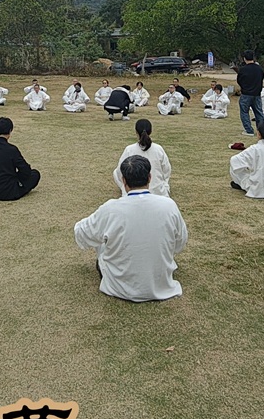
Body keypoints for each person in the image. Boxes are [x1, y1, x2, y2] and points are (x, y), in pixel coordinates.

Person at [75, 154, 189, 302]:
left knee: (101, 235)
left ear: (123, 181)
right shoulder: (169, 205)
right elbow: (180, 241)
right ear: (149, 177)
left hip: (119, 287)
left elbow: (82, 233)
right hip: (161, 283)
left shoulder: (111, 208)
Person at [113, 119, 172, 196]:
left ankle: (127, 189)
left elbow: (119, 172)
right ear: (151, 131)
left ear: (136, 132)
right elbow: (166, 171)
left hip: (132, 191)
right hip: (158, 192)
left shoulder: (129, 150)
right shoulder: (158, 149)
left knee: (115, 172)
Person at [236, 50, 264, 136]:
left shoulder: (243, 69)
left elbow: (239, 80)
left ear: (244, 58)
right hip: (256, 94)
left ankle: (249, 130)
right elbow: (261, 79)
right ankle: (261, 131)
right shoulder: (259, 69)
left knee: (244, 112)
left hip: (246, 93)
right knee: (258, 112)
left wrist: (244, 87)